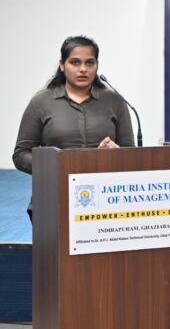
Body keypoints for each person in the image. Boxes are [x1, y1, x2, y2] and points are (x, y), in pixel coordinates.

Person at [13, 35, 135, 221]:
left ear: (97, 65)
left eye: (90, 63)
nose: (83, 69)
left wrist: (116, 153)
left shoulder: (115, 101)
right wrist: (57, 164)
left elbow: (131, 153)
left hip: (106, 202)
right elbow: (20, 155)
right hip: (53, 199)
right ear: (62, 65)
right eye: (75, 62)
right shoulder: (41, 102)